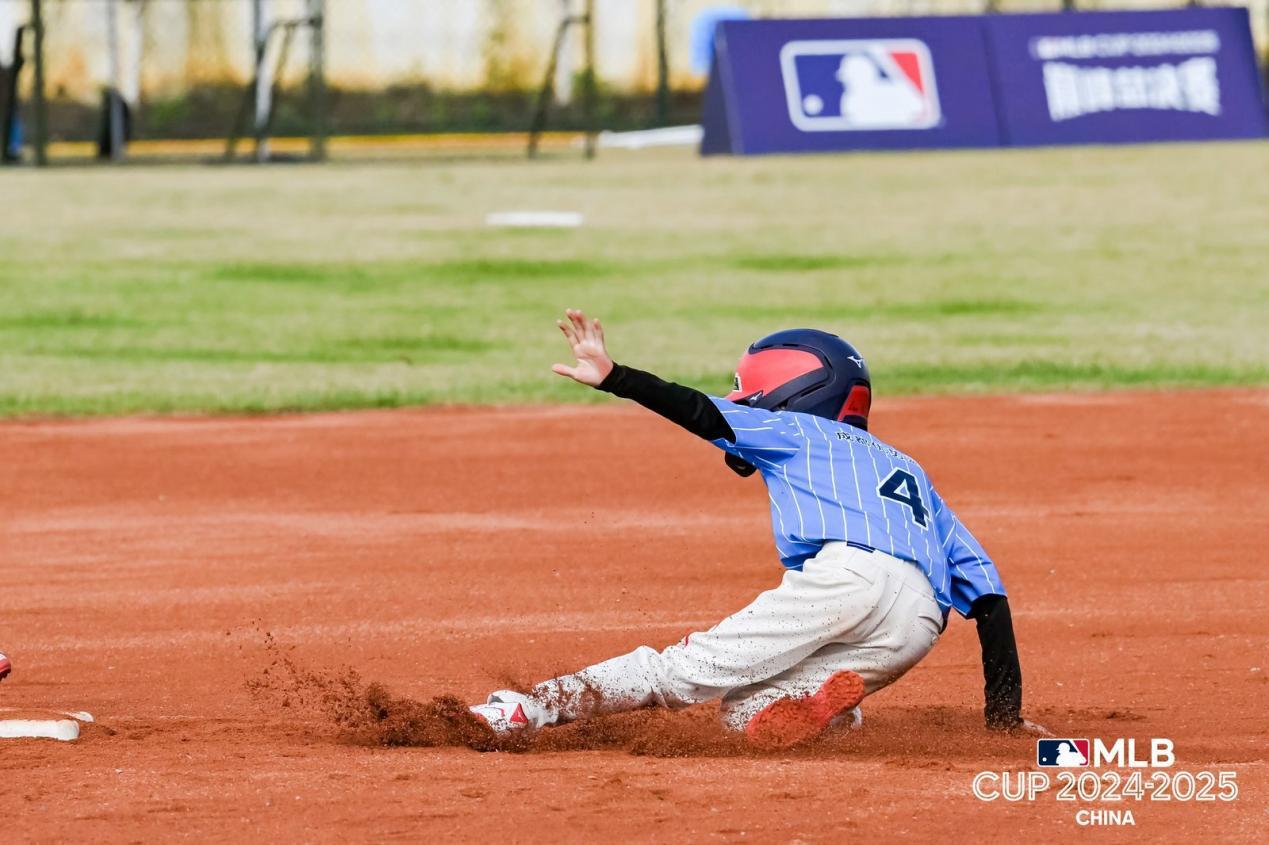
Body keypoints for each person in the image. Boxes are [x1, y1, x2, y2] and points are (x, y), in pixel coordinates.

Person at [469, 310, 1048, 748]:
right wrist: (1004, 719)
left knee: (679, 673)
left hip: (846, 577)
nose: (739, 396)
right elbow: (991, 603)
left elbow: (699, 411)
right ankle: (831, 711)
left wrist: (617, 376)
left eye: (747, 387)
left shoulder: (797, 430)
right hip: (918, 623)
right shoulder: (914, 474)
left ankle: (525, 710)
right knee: (747, 713)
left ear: (787, 390)